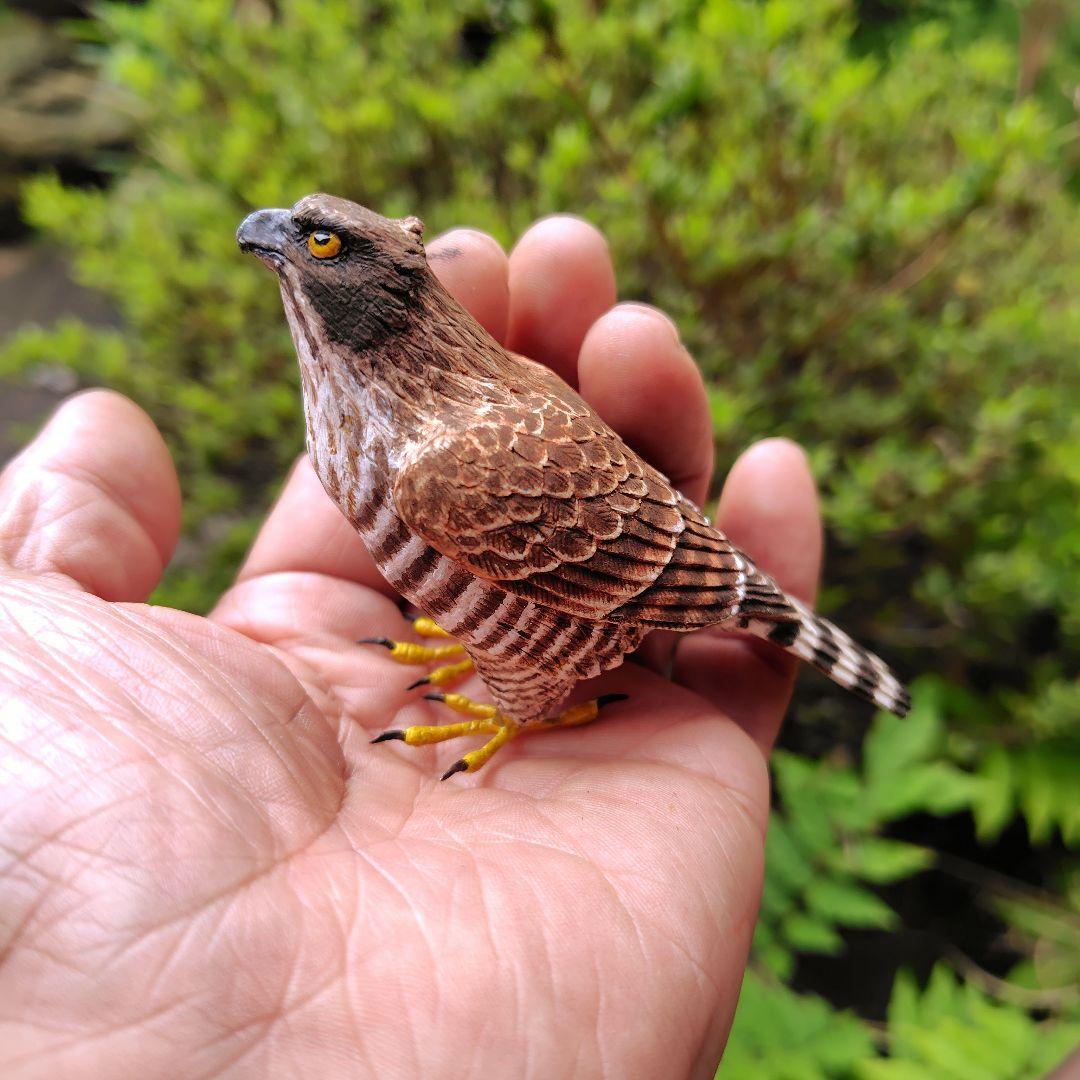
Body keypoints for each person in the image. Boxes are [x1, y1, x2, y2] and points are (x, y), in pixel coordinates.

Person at [0, 215, 822, 1078]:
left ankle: (522, 706)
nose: (275, 234)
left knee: (496, 599)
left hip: (613, 602)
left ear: (384, 284)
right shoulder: (382, 422)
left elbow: (593, 590)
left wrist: (519, 697)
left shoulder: (448, 460)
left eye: (324, 245)